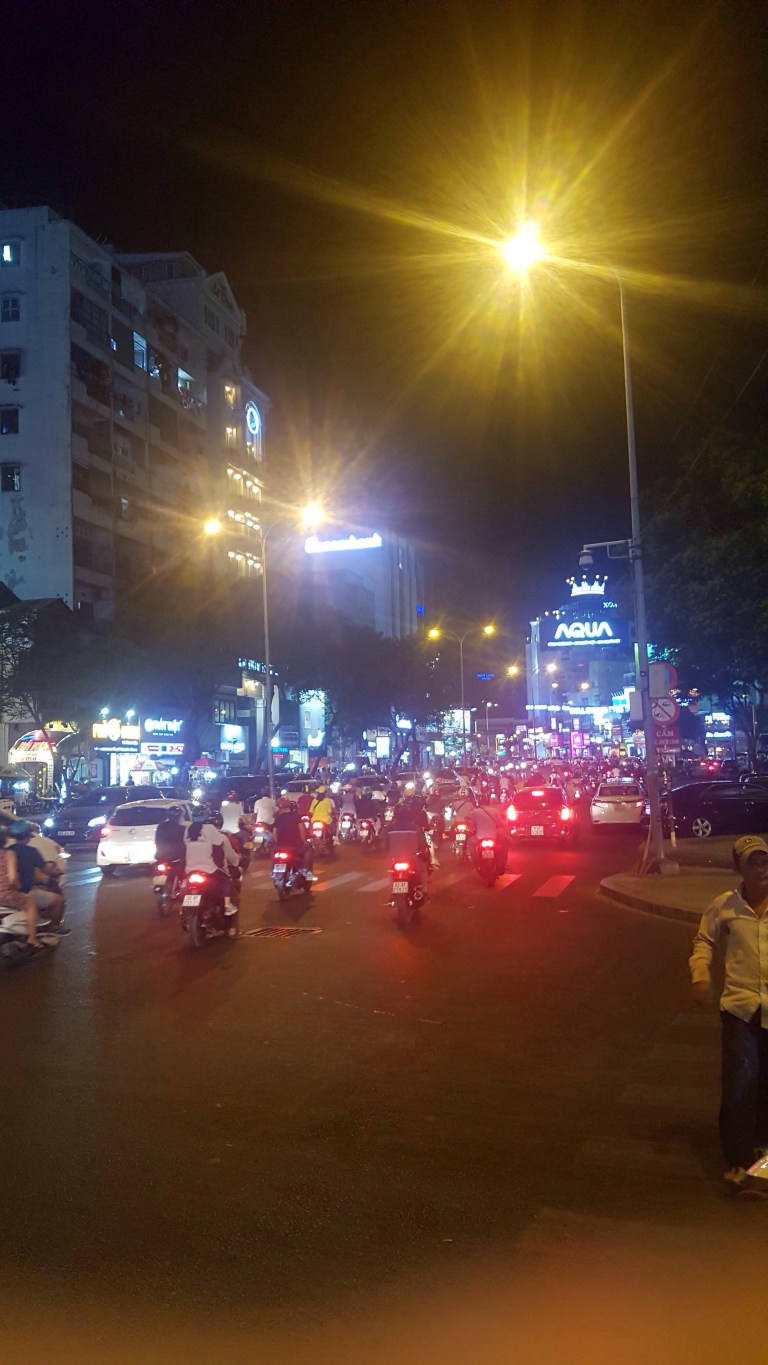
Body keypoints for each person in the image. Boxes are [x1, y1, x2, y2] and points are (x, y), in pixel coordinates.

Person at [690, 834, 768, 1189]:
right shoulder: (726, 906)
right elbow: (704, 941)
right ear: (738, 867)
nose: (761, 869)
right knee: (740, 1083)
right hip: (739, 1008)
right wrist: (700, 975)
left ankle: (762, 1151)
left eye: (765, 861)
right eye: (753, 862)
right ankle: (738, 1159)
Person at [10, 821, 66, 929]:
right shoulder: (31, 851)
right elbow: (45, 869)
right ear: (28, 835)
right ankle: (53, 929)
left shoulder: (8, 850)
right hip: (24, 893)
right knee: (59, 901)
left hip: (8, 893)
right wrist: (58, 871)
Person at [184, 808, 240, 913]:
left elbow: (186, 845)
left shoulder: (188, 829)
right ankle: (227, 905)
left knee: (184, 885)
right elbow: (219, 845)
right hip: (208, 868)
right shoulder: (210, 828)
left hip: (190, 869)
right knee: (226, 879)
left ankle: (183, 909)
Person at [0, 829, 40, 947]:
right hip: (5, 894)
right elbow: (12, 878)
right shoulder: (9, 854)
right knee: (30, 903)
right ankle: (32, 938)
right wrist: (19, 888)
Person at [273, 798, 316, 878]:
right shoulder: (296, 816)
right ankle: (305, 870)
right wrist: (304, 841)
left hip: (281, 846)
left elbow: (274, 833)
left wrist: (277, 844)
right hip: (294, 846)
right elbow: (302, 830)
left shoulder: (278, 818)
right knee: (309, 849)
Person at [468, 798, 507, 873]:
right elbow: (501, 823)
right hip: (494, 837)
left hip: (479, 837)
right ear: (488, 803)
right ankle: (503, 864)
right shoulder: (495, 811)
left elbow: (472, 825)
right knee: (504, 844)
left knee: (470, 844)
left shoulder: (475, 812)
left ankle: (476, 863)